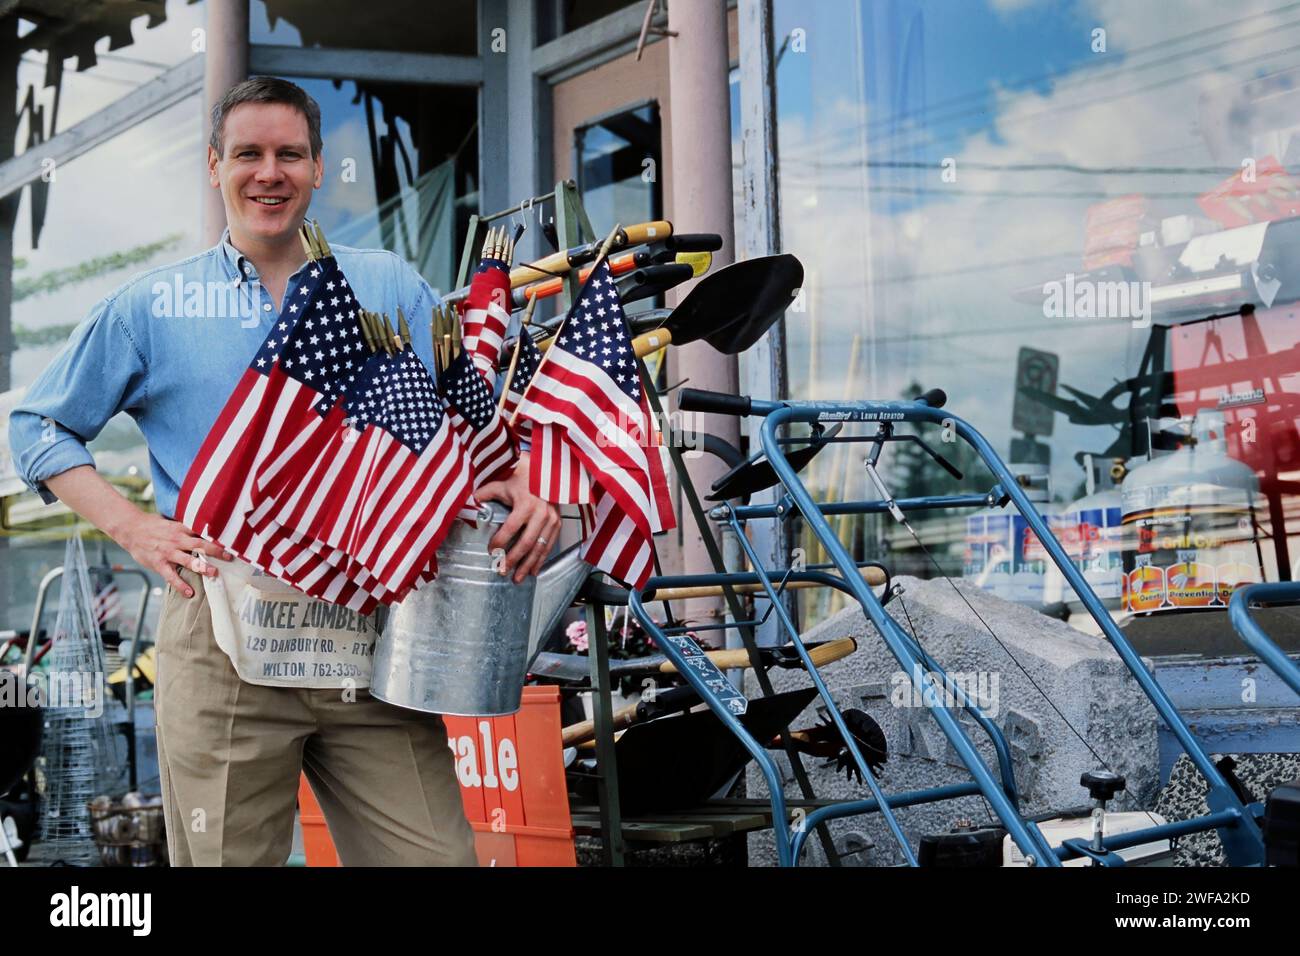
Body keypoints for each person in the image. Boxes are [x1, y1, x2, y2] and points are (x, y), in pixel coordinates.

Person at [8, 76, 560, 866]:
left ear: (315, 166)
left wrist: (522, 477)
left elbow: (469, 421)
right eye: (249, 154)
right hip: (219, 628)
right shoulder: (153, 306)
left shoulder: (388, 287)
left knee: (438, 858)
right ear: (213, 165)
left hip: (371, 635)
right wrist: (134, 528)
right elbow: (39, 424)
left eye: (290, 154)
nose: (270, 172)